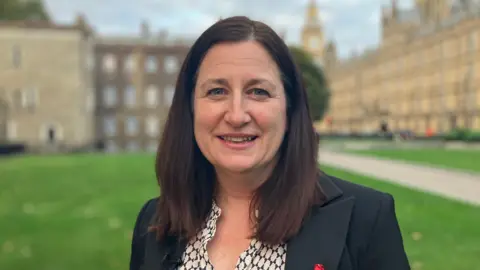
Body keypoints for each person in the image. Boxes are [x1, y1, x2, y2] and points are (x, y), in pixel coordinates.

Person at [129, 16, 410, 270]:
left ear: (289, 111)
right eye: (217, 91)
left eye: (258, 91)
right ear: (190, 109)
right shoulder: (154, 222)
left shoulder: (366, 219)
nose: (237, 115)